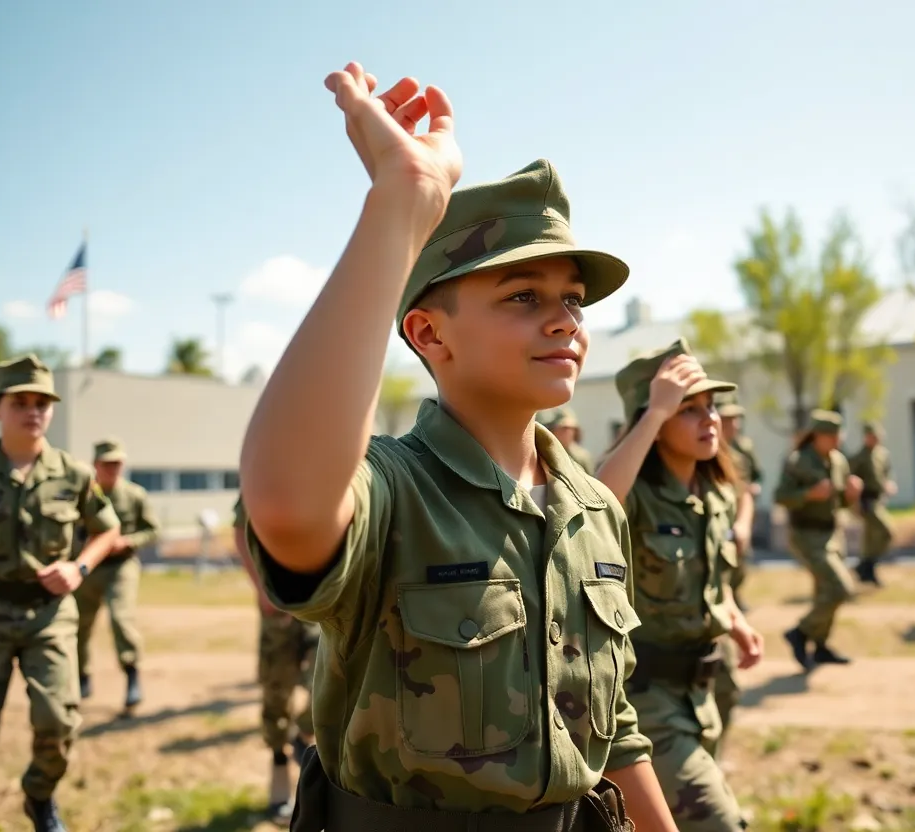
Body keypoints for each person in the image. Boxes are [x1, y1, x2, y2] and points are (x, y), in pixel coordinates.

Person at [237, 63, 676, 831]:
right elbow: (288, 503)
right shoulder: (395, 493)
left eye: (571, 298)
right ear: (430, 332)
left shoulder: (594, 507)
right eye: (523, 296)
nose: (566, 320)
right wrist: (402, 204)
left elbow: (614, 730)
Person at [595, 338, 764, 831]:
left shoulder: (714, 495)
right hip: (645, 699)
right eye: (687, 409)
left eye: (710, 406)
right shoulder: (636, 497)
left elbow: (713, 581)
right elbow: (597, 500)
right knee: (720, 824)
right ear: (653, 418)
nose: (709, 418)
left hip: (702, 695)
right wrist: (654, 413)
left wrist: (733, 618)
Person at [0, 355, 121, 832]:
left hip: (48, 613)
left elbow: (106, 530)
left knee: (57, 721)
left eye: (42, 403)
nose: (33, 411)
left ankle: (40, 796)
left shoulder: (73, 474)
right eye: (20, 402)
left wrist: (80, 566)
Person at [231, 496, 317, 825]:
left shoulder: (329, 465)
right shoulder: (271, 459)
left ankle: (303, 733)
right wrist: (261, 588)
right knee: (276, 690)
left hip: (321, 601)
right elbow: (241, 529)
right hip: (277, 604)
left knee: (330, 678)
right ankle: (280, 762)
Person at [74, 437, 160, 716]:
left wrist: (128, 542)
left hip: (120, 566)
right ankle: (82, 675)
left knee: (121, 618)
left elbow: (152, 530)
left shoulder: (134, 495)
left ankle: (132, 676)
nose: (113, 469)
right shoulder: (83, 495)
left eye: (118, 464)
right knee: (79, 625)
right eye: (107, 464)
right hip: (88, 567)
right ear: (95, 465)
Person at [775, 411, 863, 671]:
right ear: (818, 436)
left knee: (824, 592)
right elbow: (781, 496)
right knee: (840, 587)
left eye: (839, 435)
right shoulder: (798, 461)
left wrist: (851, 495)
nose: (838, 440)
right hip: (806, 534)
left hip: (832, 533)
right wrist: (809, 494)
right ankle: (800, 633)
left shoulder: (838, 461)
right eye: (832, 435)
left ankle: (821, 646)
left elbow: (842, 503)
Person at [709, 391, 758, 750]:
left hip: (720, 569)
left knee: (727, 689)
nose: (730, 424)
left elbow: (746, 494)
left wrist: (742, 526)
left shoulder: (734, 455)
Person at [847, 423, 896, 587]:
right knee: (886, 532)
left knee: (870, 540)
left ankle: (866, 569)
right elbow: (849, 480)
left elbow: (886, 473)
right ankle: (865, 566)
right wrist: (854, 504)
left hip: (878, 499)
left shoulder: (882, 454)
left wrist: (888, 484)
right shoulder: (859, 457)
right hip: (866, 501)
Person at [539, 406, 596, 474]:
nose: (566, 432)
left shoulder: (582, 456)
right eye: (563, 429)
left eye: (569, 429)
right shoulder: (546, 454)